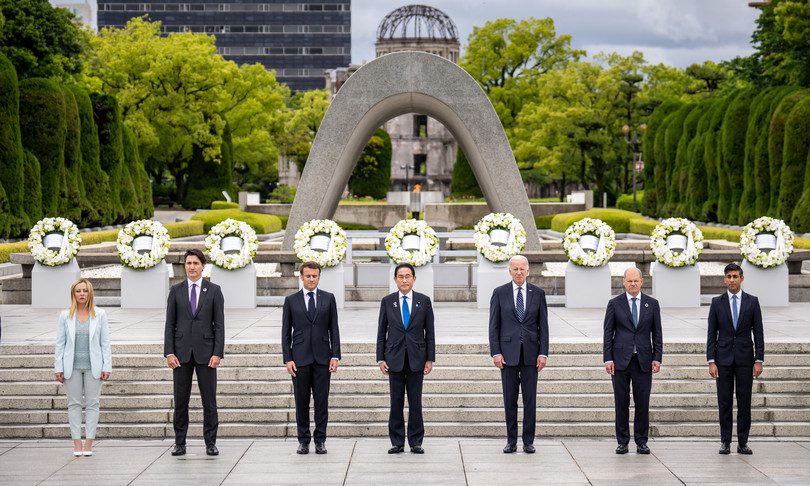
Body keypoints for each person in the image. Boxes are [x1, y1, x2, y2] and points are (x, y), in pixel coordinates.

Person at [164, 249, 225, 457]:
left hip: (207, 354)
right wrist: (169, 352)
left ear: (203, 266)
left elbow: (220, 326)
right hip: (181, 355)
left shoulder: (214, 290)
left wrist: (218, 352)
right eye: (188, 263)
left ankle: (210, 443)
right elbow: (169, 324)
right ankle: (179, 443)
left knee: (210, 401)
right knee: (181, 401)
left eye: (195, 263)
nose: (191, 267)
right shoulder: (176, 290)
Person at [488, 255, 549, 454]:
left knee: (530, 400)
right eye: (515, 269)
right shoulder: (499, 293)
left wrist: (543, 353)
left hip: (531, 355)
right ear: (510, 271)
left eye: (522, 269)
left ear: (528, 270)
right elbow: (493, 326)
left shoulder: (538, 293)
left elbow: (544, 327)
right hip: (507, 355)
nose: (519, 272)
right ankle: (511, 440)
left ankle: (528, 441)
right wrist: (495, 352)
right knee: (510, 400)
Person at [282, 261, 341, 455]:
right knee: (301, 402)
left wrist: (335, 355)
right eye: (308, 276)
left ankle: (320, 440)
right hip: (299, 359)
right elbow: (285, 333)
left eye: (315, 276)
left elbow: (334, 329)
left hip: (323, 358)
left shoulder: (329, 298)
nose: (311, 279)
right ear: (301, 277)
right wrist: (287, 359)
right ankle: (303, 440)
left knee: (321, 402)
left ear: (319, 277)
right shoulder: (291, 301)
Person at [376, 263, 435, 454]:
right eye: (400, 276)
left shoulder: (423, 301)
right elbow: (381, 332)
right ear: (395, 280)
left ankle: (416, 441)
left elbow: (430, 332)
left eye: (407, 276)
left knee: (415, 402)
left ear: (414, 279)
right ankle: (397, 441)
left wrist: (430, 358)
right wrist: (380, 358)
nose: (404, 280)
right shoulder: (387, 301)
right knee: (396, 402)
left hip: (417, 358)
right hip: (394, 358)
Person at [603, 267, 663, 455]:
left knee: (642, 403)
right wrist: (608, 358)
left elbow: (658, 334)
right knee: (621, 402)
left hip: (643, 361)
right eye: (629, 281)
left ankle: (641, 441)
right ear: (624, 282)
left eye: (636, 280)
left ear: (642, 281)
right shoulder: (615, 304)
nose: (633, 284)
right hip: (620, 361)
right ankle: (622, 441)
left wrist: (657, 357)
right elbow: (608, 334)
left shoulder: (652, 304)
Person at [707, 262, 764, 455]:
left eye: (735, 276)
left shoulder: (752, 302)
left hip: (745, 360)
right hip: (722, 360)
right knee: (724, 402)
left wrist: (759, 360)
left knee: (744, 402)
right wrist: (711, 361)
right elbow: (711, 334)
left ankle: (743, 442)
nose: (732, 280)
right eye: (729, 277)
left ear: (741, 278)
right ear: (725, 279)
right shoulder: (716, 303)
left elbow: (758, 332)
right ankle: (725, 441)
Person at [54, 278, 112, 457]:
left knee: (93, 404)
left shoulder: (99, 314)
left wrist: (107, 365)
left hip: (94, 367)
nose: (81, 294)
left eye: (85, 291)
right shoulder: (65, 316)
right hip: (71, 367)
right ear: (73, 293)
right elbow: (60, 344)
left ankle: (89, 444)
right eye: (78, 291)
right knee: (74, 404)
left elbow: (105, 343)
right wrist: (58, 367)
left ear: (90, 293)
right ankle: (77, 443)